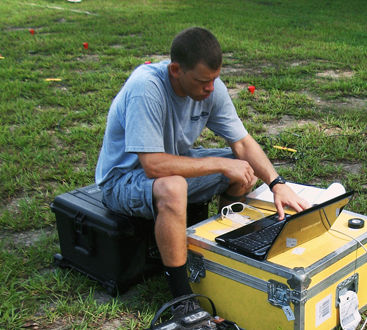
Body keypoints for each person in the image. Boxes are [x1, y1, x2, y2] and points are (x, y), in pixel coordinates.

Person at [95, 27, 309, 298]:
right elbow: (153, 166)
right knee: (174, 187)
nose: (211, 89)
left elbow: (242, 143)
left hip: (171, 166)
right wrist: (219, 166)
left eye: (215, 79)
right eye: (202, 82)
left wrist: (277, 183)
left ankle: (226, 254)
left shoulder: (210, 87)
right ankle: (182, 298)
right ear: (176, 70)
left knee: (241, 166)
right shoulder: (145, 89)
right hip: (122, 181)